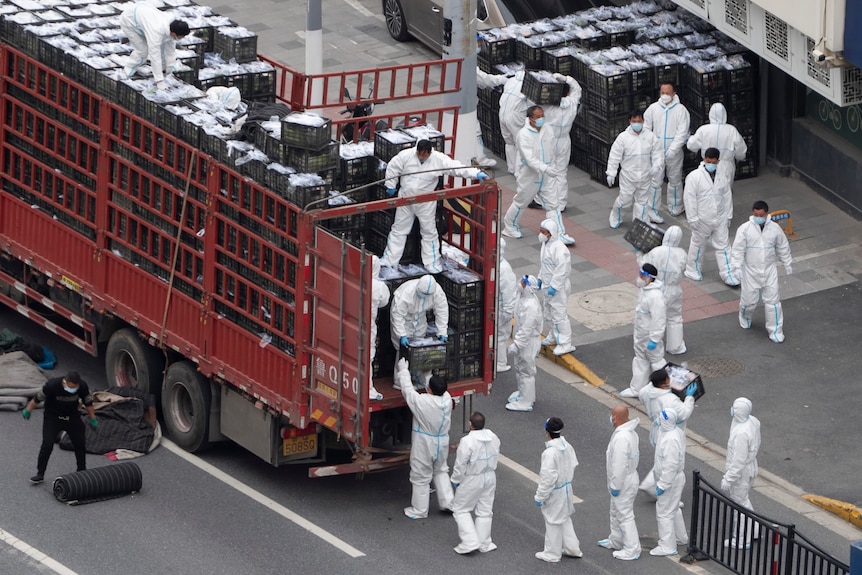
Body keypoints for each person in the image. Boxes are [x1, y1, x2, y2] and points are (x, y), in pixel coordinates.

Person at [381, 140, 488, 273]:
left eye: (424, 155)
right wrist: (390, 185)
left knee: (429, 233)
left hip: (425, 203)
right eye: (419, 154)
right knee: (398, 230)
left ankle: (432, 264)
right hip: (406, 200)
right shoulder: (406, 155)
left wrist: (475, 173)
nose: (421, 157)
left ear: (429, 152)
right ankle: (389, 262)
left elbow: (455, 168)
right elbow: (393, 167)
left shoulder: (438, 159)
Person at [501, 107, 574, 245]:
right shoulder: (523, 135)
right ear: (530, 118)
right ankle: (510, 226)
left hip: (546, 175)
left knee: (553, 204)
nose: (541, 118)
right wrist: (545, 168)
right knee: (522, 201)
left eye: (542, 115)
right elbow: (529, 159)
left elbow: (551, 149)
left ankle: (558, 233)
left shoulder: (547, 129)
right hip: (530, 175)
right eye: (538, 116)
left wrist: (551, 166)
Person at [396, 358, 455, 519]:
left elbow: (408, 391)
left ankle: (419, 510)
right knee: (441, 470)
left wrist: (403, 371)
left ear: (429, 389)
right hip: (442, 441)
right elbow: (434, 387)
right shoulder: (447, 399)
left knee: (420, 476)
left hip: (425, 442)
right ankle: (448, 502)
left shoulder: (423, 402)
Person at [730, 200, 793, 343]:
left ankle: (776, 331)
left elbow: (782, 246)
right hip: (751, 271)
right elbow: (738, 250)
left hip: (769, 270)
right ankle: (745, 317)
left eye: (761, 215)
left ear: (766, 214)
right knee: (749, 302)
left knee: (773, 303)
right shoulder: (745, 229)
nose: (758, 217)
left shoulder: (775, 229)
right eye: (756, 214)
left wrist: (787, 262)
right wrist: (736, 267)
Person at [22, 371, 98, 484]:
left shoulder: (82, 386)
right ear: (64, 382)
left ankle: (81, 470)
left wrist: (93, 418)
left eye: (76, 388)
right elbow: (37, 398)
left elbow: (88, 403)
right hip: (53, 418)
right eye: (72, 387)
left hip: (72, 417)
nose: (74, 390)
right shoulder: (52, 386)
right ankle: (40, 473)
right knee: (47, 445)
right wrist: (28, 409)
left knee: (80, 443)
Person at [683, 147, 739, 286]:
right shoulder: (694, 177)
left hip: (719, 218)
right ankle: (692, 269)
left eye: (714, 162)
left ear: (718, 161)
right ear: (704, 159)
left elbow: (727, 196)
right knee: (698, 245)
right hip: (702, 219)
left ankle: (728, 274)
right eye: (709, 161)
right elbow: (689, 198)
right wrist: (692, 218)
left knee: (724, 246)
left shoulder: (722, 176)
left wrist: (728, 216)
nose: (711, 164)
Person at [637, 368, 696, 496]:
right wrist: (689, 398)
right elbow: (684, 413)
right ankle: (656, 487)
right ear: (665, 382)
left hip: (657, 429)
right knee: (669, 458)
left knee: (661, 457)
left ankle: (650, 485)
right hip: (671, 429)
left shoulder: (645, 392)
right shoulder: (670, 400)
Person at [451, 411, 501, 554]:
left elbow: (460, 463)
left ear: (470, 424)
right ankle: (484, 543)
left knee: (461, 509)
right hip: (490, 476)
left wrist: (456, 479)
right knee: (485, 510)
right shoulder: (493, 436)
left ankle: (469, 542)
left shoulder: (467, 441)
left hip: (473, 477)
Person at [534, 417, 583, 563]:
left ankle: (552, 553)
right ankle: (572, 548)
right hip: (567, 488)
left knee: (553, 520)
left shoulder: (550, 453)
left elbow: (548, 478)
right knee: (564, 518)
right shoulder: (567, 446)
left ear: (547, 431)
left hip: (556, 491)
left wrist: (540, 496)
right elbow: (574, 464)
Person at [389, 274, 449, 389]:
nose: (425, 296)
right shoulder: (406, 294)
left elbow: (442, 310)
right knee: (403, 351)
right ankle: (400, 381)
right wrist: (401, 334)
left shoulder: (437, 292)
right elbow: (397, 316)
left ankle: (419, 378)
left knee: (420, 348)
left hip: (420, 317)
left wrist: (442, 331)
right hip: (404, 318)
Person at [606, 110, 664, 228]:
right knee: (625, 200)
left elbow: (658, 153)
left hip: (645, 175)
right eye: (634, 121)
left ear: (643, 121)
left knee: (642, 203)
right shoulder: (623, 138)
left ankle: (640, 223)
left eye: (639, 121)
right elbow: (615, 155)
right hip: (628, 176)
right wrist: (611, 172)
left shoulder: (650, 136)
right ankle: (616, 216)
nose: (637, 123)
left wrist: (656, 166)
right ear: (629, 121)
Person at [599, 405, 641, 561]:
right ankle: (616, 540)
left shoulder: (622, 438)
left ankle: (632, 548)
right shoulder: (629, 433)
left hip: (623, 481)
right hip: (627, 478)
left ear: (615, 418)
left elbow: (619, 464)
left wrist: (616, 486)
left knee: (624, 515)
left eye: (612, 415)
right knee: (615, 511)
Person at [643, 82, 690, 220]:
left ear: (674, 94)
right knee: (655, 181)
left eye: (667, 93)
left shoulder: (681, 111)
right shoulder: (653, 109)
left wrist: (673, 149)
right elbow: (646, 128)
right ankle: (652, 209)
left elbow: (682, 132)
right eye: (662, 92)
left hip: (673, 153)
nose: (664, 95)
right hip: (657, 152)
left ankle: (676, 206)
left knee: (674, 179)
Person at [619, 263, 667, 398]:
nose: (639, 277)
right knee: (640, 361)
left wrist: (655, 338)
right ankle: (636, 389)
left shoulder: (655, 296)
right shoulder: (645, 291)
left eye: (642, 275)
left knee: (657, 362)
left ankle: (667, 387)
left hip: (649, 336)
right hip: (641, 335)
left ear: (649, 278)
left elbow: (659, 319)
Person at [639, 225, 687, 354]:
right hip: (675, 289)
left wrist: (639, 253)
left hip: (657, 287)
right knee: (675, 317)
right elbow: (684, 270)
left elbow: (645, 265)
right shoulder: (682, 253)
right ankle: (676, 347)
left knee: (653, 316)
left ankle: (648, 341)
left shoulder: (656, 251)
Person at [119, 2, 189, 90]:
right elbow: (154, 55)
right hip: (129, 22)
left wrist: (170, 67)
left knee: (164, 46)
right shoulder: (156, 31)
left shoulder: (171, 25)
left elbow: (170, 49)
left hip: (144, 13)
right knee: (143, 51)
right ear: (173, 33)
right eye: (180, 36)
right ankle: (128, 69)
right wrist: (159, 80)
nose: (180, 38)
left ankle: (164, 69)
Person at [721, 397, 761, 549]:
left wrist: (728, 478)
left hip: (741, 472)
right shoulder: (753, 421)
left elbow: (738, 460)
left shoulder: (741, 434)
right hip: (751, 466)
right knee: (744, 500)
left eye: (734, 408)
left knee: (740, 504)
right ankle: (754, 530)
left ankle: (742, 538)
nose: (732, 409)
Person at [651, 406, 689, 556]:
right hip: (673, 478)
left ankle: (667, 545)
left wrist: (663, 484)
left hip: (670, 480)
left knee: (664, 512)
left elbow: (671, 465)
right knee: (673, 509)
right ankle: (680, 537)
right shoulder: (673, 432)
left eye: (661, 417)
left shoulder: (671, 439)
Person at [542, 73, 583, 214]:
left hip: (550, 140)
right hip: (564, 140)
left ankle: (550, 201)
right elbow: (577, 89)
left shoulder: (548, 105)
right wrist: (566, 78)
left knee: (548, 170)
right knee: (561, 172)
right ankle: (561, 203)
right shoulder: (572, 103)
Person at [505, 275, 543, 412]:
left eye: (523, 283)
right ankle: (523, 394)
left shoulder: (531, 306)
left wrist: (517, 344)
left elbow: (527, 329)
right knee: (520, 368)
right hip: (523, 341)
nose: (520, 284)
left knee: (526, 370)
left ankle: (526, 401)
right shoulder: (523, 299)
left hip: (528, 342)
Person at [537, 219, 575, 356]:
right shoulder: (545, 245)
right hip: (547, 286)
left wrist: (554, 285)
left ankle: (565, 343)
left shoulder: (559, 248)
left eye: (543, 232)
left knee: (559, 315)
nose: (541, 234)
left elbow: (562, 270)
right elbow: (545, 265)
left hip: (557, 288)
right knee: (548, 313)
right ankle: (553, 335)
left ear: (551, 233)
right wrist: (540, 278)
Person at [686, 102, 748, 184]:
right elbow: (741, 149)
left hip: (708, 164)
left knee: (707, 190)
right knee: (725, 192)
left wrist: (688, 138)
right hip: (726, 165)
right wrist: (740, 157)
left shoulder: (703, 130)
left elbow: (691, 145)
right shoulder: (731, 130)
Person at [476, 35, 508, 168]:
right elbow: (485, 80)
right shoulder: (467, 64)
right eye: (477, 43)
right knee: (475, 131)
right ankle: (479, 159)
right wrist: (502, 79)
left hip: (460, 102)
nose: (479, 46)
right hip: (464, 106)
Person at [498, 70, 530, 175]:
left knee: (509, 141)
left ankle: (511, 168)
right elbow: (531, 103)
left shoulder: (511, 80)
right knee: (520, 143)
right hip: (516, 116)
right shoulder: (528, 84)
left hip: (502, 112)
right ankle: (518, 172)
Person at [369, 255, 390, 400]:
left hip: (348, 321)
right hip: (368, 324)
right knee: (367, 356)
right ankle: (367, 389)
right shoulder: (379, 286)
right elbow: (384, 303)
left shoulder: (352, 279)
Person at [496, 238, 518, 373]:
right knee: (499, 335)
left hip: (502, 307)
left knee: (500, 336)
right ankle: (499, 361)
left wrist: (507, 310)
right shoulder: (500, 266)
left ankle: (500, 362)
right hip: (500, 307)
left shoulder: (503, 269)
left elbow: (508, 291)